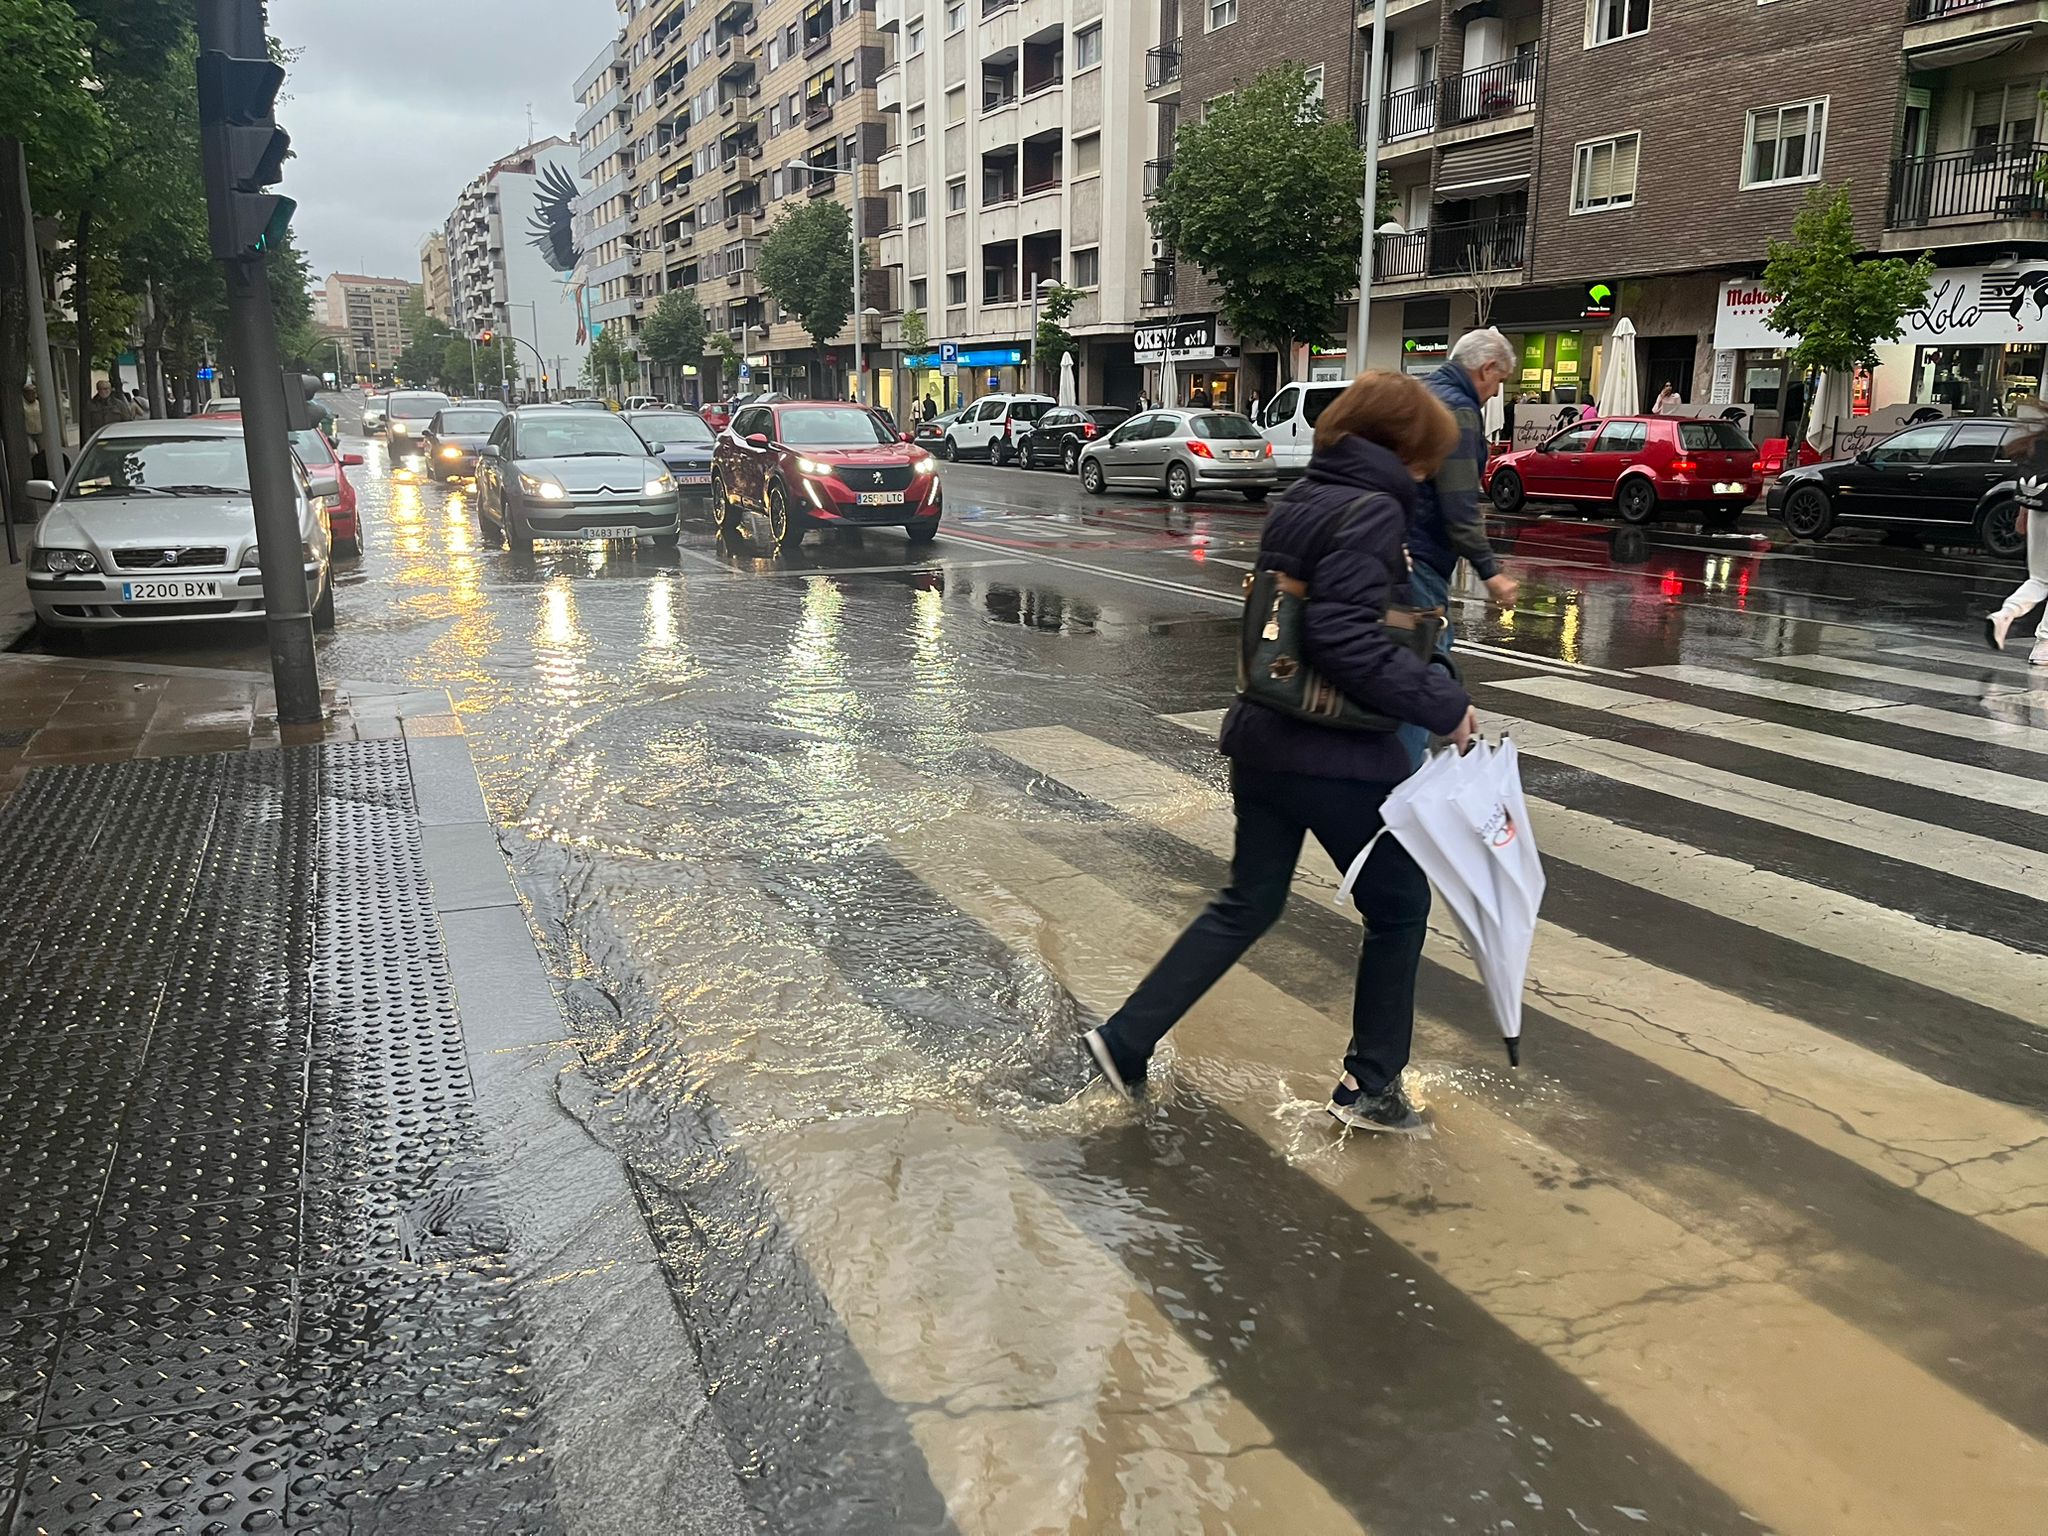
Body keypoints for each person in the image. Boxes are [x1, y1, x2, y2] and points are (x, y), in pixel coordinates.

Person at [1080, 371, 1479, 1136]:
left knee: (1249, 901)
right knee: (1398, 908)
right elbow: (1344, 638)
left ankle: (1124, 1041)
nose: (1427, 474)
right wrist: (1443, 703)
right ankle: (1372, 1089)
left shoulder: (1304, 498)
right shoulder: (1370, 509)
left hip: (1264, 738)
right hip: (1335, 755)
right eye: (1425, 459)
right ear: (1402, 448)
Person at [1400, 329, 1520, 764]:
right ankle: (1409, 782)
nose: (1494, 393)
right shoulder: (1460, 411)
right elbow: (1458, 503)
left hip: (1387, 549)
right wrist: (1491, 571)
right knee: (1425, 668)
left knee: (1394, 664)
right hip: (1423, 558)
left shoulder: (1418, 394)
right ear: (1486, 368)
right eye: (1499, 381)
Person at [1987, 405, 2048, 666]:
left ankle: (2005, 614)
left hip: (2040, 512)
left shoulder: (2042, 442)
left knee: (2040, 579)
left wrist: (2022, 516)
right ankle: (2043, 646)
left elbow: (2028, 481)